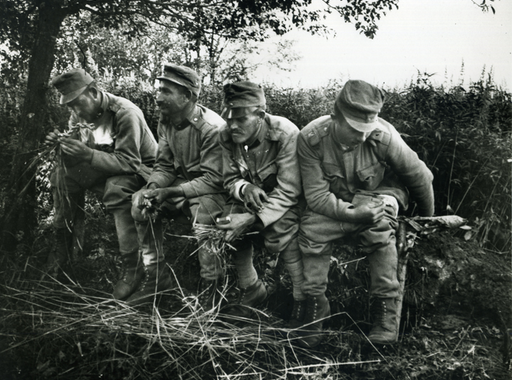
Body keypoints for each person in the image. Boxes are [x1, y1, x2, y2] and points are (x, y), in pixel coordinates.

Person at [296, 80, 435, 347]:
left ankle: (385, 316)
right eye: (354, 129)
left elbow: (420, 177)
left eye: (366, 129)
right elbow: (316, 196)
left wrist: (426, 221)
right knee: (311, 228)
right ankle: (315, 308)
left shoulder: (384, 136)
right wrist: (354, 214)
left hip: (381, 193)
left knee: (379, 228)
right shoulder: (312, 138)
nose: (361, 137)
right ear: (335, 116)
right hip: (338, 202)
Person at [45, 68, 158, 302]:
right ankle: (63, 252)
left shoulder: (125, 113)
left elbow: (129, 162)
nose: (74, 111)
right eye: (70, 106)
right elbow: (78, 157)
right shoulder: (80, 115)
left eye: (77, 103)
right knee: (62, 177)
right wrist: (62, 148)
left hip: (145, 174)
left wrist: (86, 154)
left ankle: (133, 268)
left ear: (94, 92)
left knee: (117, 187)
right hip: (106, 169)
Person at [128, 64, 227, 306]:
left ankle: (211, 292)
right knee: (142, 206)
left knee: (204, 216)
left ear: (188, 97)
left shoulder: (211, 128)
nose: (158, 98)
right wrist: (151, 189)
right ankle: (157, 280)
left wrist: (169, 191)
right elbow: (164, 166)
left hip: (215, 190)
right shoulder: (167, 122)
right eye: (159, 90)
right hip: (183, 186)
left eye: (166, 92)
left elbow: (214, 179)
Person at [215, 81, 306, 323]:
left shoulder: (285, 134)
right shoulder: (226, 135)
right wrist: (245, 188)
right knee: (224, 221)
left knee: (281, 228)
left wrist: (253, 218)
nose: (232, 125)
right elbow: (229, 179)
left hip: (288, 203)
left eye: (241, 119)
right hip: (251, 203)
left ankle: (301, 298)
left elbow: (290, 189)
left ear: (260, 115)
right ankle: (251, 287)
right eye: (228, 117)